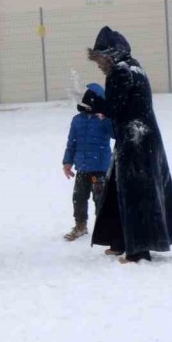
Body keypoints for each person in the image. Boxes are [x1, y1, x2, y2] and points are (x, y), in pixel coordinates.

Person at [86, 26, 172, 262]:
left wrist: (92, 101)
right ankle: (119, 240)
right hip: (143, 137)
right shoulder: (134, 67)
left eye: (100, 59)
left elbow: (115, 108)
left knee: (134, 192)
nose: (99, 65)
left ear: (110, 54)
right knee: (120, 188)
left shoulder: (120, 71)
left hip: (134, 140)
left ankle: (137, 250)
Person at [62, 83, 113, 241]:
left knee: (100, 198)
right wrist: (67, 162)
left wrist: (106, 118)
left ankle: (104, 227)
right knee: (79, 197)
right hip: (82, 168)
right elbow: (72, 143)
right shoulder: (77, 120)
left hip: (99, 168)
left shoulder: (104, 119)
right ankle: (80, 225)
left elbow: (115, 133)